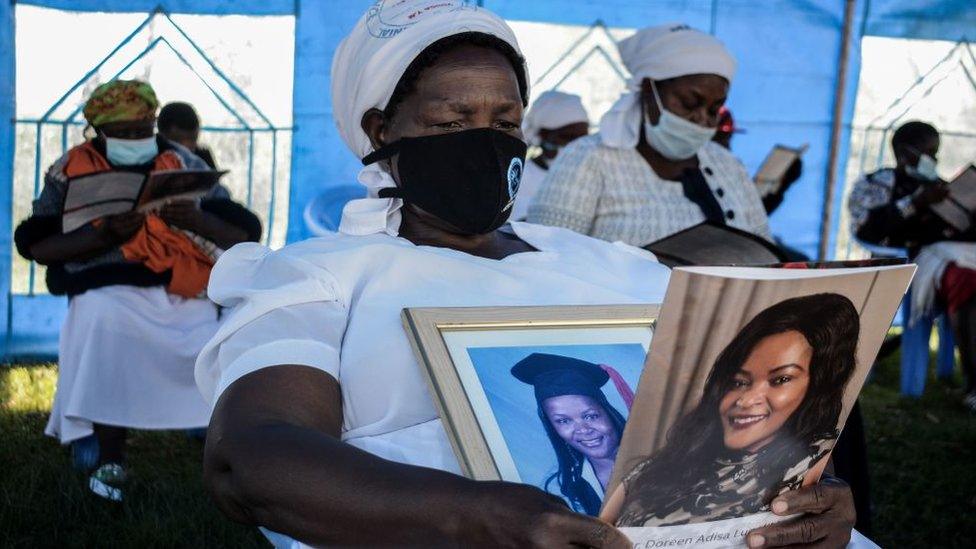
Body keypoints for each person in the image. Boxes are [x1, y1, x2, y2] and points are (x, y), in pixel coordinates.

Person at [194, 3, 853, 548]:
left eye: (505, 121)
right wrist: (475, 514)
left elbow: (730, 409)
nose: (485, 141)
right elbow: (249, 455)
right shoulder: (318, 276)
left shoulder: (609, 263)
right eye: (452, 121)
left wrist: (801, 489)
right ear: (379, 130)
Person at [13, 79, 261, 501]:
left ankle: (217, 442)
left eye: (142, 130)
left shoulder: (180, 161)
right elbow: (37, 243)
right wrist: (104, 234)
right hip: (108, 284)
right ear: (97, 131)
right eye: (122, 133)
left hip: (184, 285)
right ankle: (108, 454)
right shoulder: (70, 168)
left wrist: (194, 219)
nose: (134, 140)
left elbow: (243, 233)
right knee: (101, 316)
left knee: (214, 329)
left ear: (154, 123)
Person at [603, 293, 859, 541]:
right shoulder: (660, 465)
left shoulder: (808, 459)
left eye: (780, 379)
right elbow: (596, 531)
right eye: (738, 382)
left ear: (816, 389)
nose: (746, 400)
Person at [528, 24, 771, 247]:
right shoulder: (588, 159)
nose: (702, 120)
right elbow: (545, 258)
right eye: (689, 103)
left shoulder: (728, 165)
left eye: (714, 109)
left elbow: (763, 250)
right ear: (648, 90)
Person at [848, 121, 976, 409]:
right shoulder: (877, 183)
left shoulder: (939, 188)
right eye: (931, 152)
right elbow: (868, 229)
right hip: (904, 262)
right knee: (965, 284)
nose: (936, 160)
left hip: (943, 262)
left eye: (937, 152)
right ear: (907, 153)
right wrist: (914, 204)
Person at [512, 353, 630, 516]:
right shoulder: (558, 489)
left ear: (609, 412)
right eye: (563, 421)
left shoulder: (658, 458)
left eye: (590, 416)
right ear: (552, 427)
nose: (583, 429)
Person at [514, 91, 589, 220]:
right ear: (543, 135)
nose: (578, 145)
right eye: (568, 137)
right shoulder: (518, 179)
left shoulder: (590, 179)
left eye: (584, 138)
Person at [158, 101, 218, 169]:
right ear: (162, 138)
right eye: (179, 143)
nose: (188, 149)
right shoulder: (151, 159)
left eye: (194, 141)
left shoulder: (203, 158)